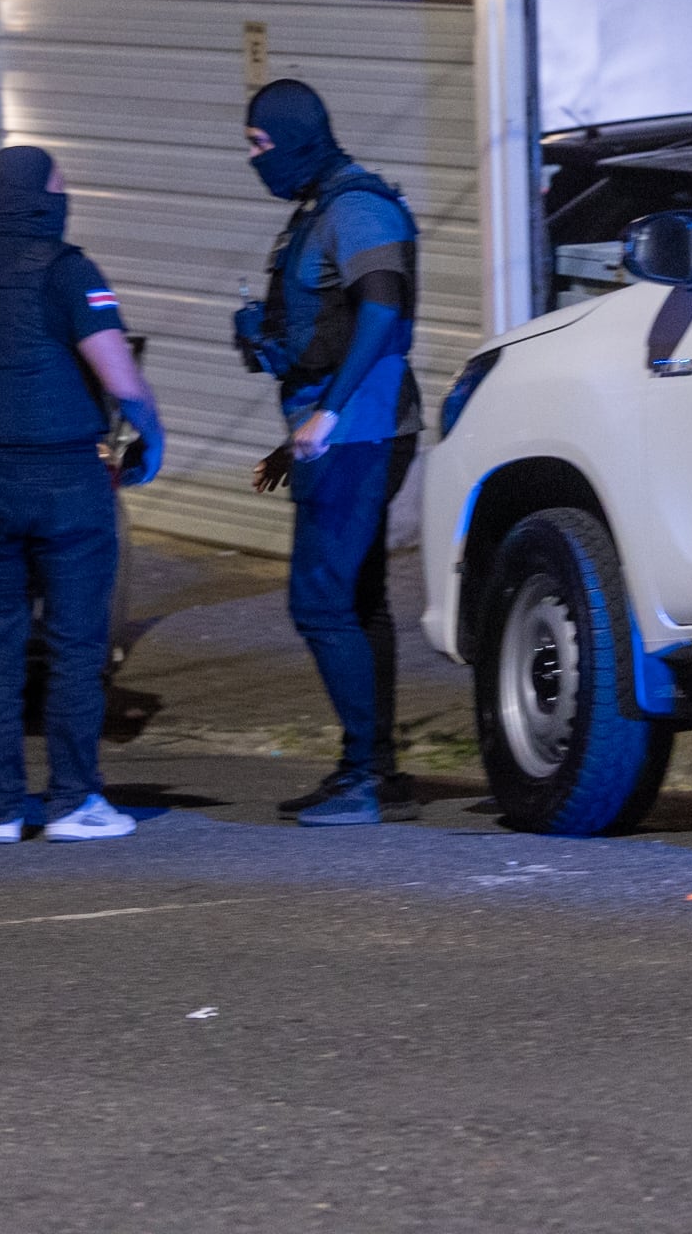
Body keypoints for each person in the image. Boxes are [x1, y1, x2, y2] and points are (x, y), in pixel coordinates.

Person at [0, 145, 165, 844]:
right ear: (41, 197)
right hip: (66, 479)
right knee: (76, 644)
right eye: (61, 183)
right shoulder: (67, 270)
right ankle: (74, 800)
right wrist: (150, 428)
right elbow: (117, 372)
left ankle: (0, 808)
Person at [235, 78, 423, 827]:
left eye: (258, 143)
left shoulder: (357, 207)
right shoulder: (322, 208)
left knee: (319, 601)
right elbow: (337, 326)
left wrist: (329, 415)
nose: (252, 158)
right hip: (346, 430)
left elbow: (382, 307)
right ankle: (375, 769)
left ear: (291, 133)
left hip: (358, 432)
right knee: (356, 600)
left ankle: (363, 778)